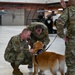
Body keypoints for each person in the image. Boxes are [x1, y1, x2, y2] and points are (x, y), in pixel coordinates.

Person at [56, 0, 75, 75]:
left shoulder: (69, 10)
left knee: (71, 60)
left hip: (72, 40)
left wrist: (62, 36)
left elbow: (59, 22)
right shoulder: (69, 10)